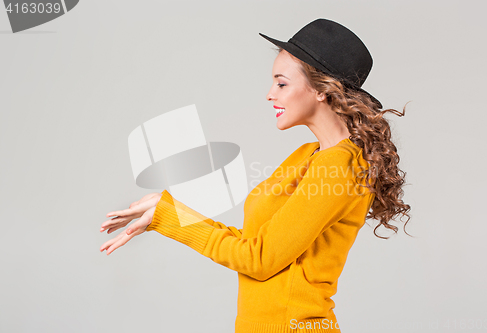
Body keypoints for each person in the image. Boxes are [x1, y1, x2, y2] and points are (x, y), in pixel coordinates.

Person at [99, 18, 411, 333]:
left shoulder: (341, 166)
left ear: (320, 89)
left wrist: (171, 217)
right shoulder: (309, 156)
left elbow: (259, 259)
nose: (270, 94)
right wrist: (165, 210)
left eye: (282, 83)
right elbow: (255, 243)